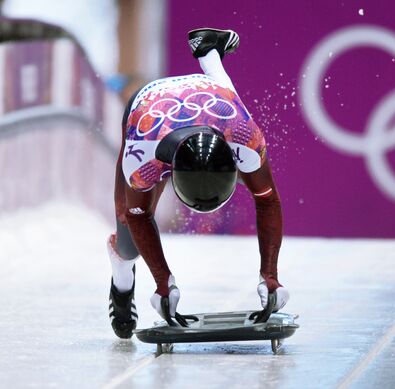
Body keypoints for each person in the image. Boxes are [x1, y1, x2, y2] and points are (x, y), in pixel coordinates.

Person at [107, 28, 289, 338]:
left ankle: (209, 53)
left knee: (231, 102)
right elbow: (139, 216)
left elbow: (268, 199)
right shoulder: (143, 158)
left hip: (214, 105)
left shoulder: (245, 138)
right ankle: (121, 284)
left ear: (234, 163)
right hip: (149, 111)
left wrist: (270, 276)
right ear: (170, 173)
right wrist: (163, 282)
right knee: (127, 233)